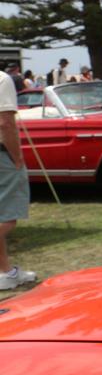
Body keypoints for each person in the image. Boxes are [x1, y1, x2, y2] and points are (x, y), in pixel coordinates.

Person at [0, 69, 34, 291]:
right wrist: (18, 158)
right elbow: (5, 123)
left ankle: (5, 272)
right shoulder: (2, 80)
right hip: (2, 155)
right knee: (8, 217)